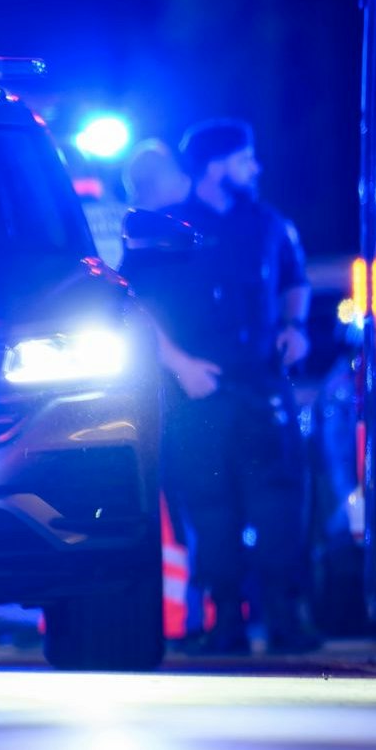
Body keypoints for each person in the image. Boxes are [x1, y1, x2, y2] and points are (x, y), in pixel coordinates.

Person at [125, 117, 315, 656]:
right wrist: (180, 364)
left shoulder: (270, 224)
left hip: (261, 387)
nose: (255, 168)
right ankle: (225, 622)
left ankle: (287, 621)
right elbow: (134, 303)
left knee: (279, 505)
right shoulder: (166, 227)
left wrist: (293, 327)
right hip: (198, 391)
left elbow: (295, 280)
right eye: (244, 158)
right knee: (211, 507)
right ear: (215, 166)